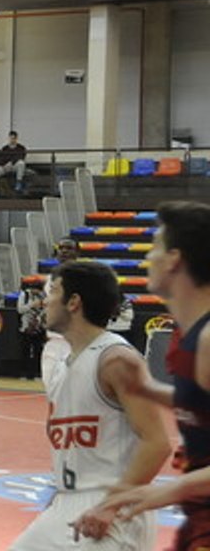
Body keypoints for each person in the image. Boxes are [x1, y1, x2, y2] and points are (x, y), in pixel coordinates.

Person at [8, 261, 169, 550]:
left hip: (113, 505)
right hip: (66, 501)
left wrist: (110, 505)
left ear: (73, 302)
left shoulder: (116, 359)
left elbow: (157, 442)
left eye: (53, 292)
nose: (45, 300)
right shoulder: (60, 366)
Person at [92, 202, 210, 548]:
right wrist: (146, 388)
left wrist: (172, 488)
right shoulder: (185, 335)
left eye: (155, 248)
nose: (148, 259)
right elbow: (200, 403)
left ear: (174, 259)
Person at [16, 286, 47, 380]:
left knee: (38, 351)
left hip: (38, 327)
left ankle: (37, 373)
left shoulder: (42, 295)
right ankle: (25, 373)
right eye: (36, 288)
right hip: (26, 328)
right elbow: (20, 310)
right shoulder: (24, 295)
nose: (37, 291)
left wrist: (41, 311)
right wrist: (31, 305)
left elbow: (46, 309)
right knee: (26, 351)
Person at [0, 130, 28, 197]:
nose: (12, 140)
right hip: (5, 167)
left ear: (16, 139)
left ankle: (18, 182)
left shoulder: (21, 148)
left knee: (21, 163)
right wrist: (4, 165)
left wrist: (11, 162)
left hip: (15, 166)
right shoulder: (4, 148)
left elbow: (21, 156)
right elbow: (0, 158)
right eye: (11, 138)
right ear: (9, 138)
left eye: (14, 138)